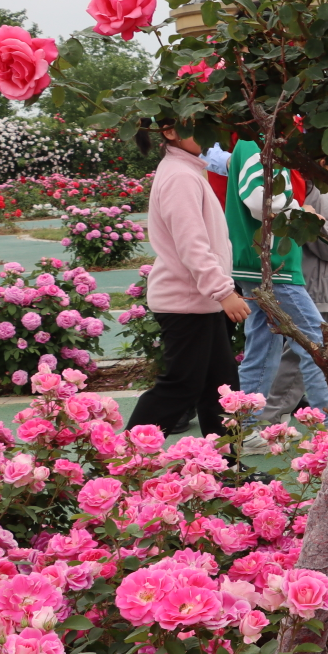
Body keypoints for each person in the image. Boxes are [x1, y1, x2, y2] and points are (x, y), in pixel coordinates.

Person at [126, 122, 251, 436]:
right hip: (185, 304)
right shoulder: (180, 177)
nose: (210, 135)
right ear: (170, 132)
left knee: (221, 389)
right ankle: (123, 463)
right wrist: (223, 291)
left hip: (199, 302)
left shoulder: (188, 170)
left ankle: (227, 472)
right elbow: (192, 246)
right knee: (181, 387)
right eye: (198, 128)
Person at [225, 138, 328, 418]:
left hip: (260, 265)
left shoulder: (257, 144)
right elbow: (259, 200)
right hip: (272, 266)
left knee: (262, 351)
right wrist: (300, 212)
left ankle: (246, 430)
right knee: (316, 344)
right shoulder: (254, 144)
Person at [254, 185, 328, 426]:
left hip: (319, 286)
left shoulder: (301, 196)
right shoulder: (316, 200)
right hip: (318, 287)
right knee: (310, 354)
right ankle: (268, 417)